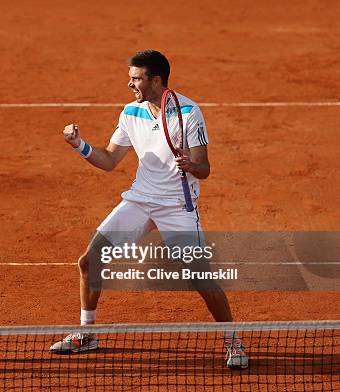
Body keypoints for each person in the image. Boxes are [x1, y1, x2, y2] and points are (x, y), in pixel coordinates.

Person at [49, 50, 248, 369]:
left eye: (136, 78)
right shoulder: (131, 112)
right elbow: (109, 160)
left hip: (177, 207)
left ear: (156, 80)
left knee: (199, 277)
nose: (129, 83)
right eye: (130, 77)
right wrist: (79, 145)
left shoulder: (188, 111)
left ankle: (232, 340)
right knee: (90, 261)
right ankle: (87, 335)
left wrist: (191, 164)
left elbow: (205, 168)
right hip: (140, 201)